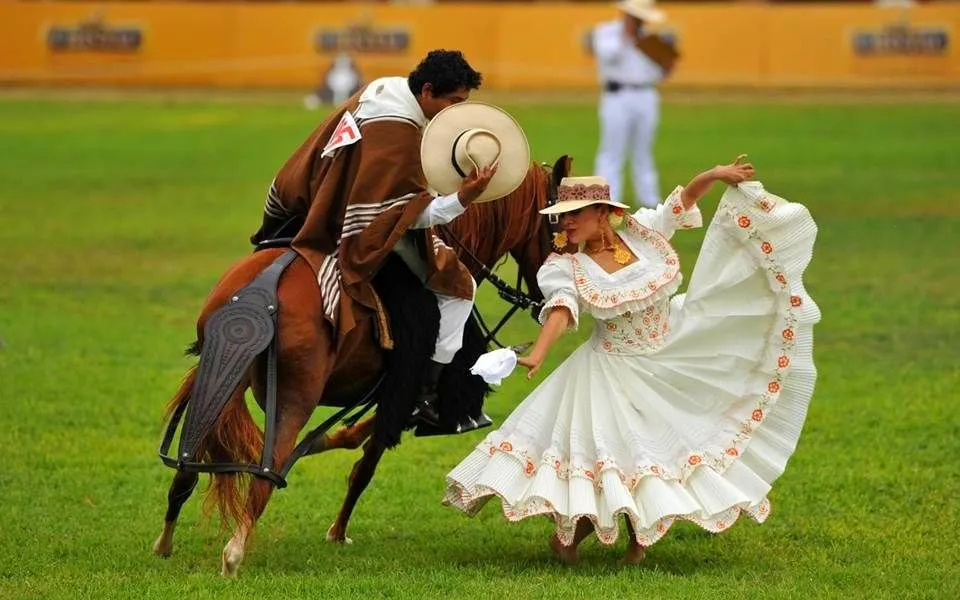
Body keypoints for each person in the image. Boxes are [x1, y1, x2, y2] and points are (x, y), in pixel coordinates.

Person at [443, 157, 821, 564]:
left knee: (666, 450)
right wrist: (538, 351)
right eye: (561, 218)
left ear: (604, 213)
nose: (566, 225)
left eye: (575, 215)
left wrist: (712, 175)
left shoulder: (644, 236)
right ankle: (577, 539)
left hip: (669, 355)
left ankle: (634, 541)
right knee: (618, 455)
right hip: (610, 368)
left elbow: (679, 204)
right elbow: (561, 308)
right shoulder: (565, 266)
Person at [250, 50, 503, 432]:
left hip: (301, 201)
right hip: (349, 225)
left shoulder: (385, 87)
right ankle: (426, 395)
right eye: (452, 102)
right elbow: (396, 215)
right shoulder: (398, 129)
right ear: (428, 90)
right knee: (458, 285)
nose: (454, 111)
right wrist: (462, 199)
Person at [590, 0, 677, 209]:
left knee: (644, 149)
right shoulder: (606, 32)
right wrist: (627, 36)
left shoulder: (650, 38)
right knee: (612, 149)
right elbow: (609, 56)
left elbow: (662, 71)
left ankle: (648, 198)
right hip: (616, 95)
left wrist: (666, 62)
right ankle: (607, 197)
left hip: (646, 94)